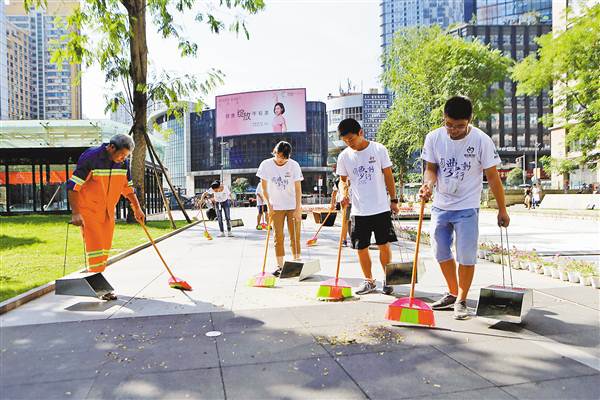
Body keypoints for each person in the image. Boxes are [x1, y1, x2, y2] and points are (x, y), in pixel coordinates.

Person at [419, 96, 510, 320]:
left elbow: (493, 177)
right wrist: (428, 185)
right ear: (444, 119)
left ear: (470, 120)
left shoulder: (482, 140)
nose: (454, 130)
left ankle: (461, 299)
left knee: (466, 254)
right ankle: (452, 291)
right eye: (449, 124)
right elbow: (431, 169)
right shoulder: (434, 138)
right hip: (441, 205)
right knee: (440, 250)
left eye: (460, 126)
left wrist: (502, 209)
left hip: (467, 206)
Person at [67, 133, 145, 301]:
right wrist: (76, 212)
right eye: (121, 155)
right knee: (95, 249)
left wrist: (137, 208)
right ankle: (101, 290)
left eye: (126, 156)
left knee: (104, 249)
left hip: (108, 211)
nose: (123, 159)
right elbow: (73, 186)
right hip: (89, 211)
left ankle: (97, 284)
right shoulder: (91, 158)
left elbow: (128, 188)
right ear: (111, 147)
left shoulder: (122, 163)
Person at [335, 118, 400, 295]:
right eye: (345, 141)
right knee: (361, 247)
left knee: (384, 245)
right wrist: (343, 194)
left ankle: (388, 279)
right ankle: (369, 281)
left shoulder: (378, 149)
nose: (349, 143)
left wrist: (394, 200)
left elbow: (388, 176)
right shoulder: (344, 156)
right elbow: (342, 180)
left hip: (380, 208)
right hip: (358, 210)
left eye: (351, 139)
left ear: (361, 133)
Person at [256, 141, 303, 276]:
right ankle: (280, 265)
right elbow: (264, 188)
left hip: (292, 205)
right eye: (278, 156)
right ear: (274, 152)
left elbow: (298, 188)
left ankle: (297, 263)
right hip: (276, 206)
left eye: (284, 158)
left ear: (289, 156)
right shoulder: (266, 165)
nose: (280, 160)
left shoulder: (294, 165)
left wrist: (298, 208)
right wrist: (268, 206)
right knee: (278, 236)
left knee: (295, 236)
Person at [330, 174, 352, 247]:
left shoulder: (353, 177)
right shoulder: (338, 181)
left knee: (352, 222)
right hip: (345, 203)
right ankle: (344, 240)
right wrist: (332, 204)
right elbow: (334, 192)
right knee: (345, 221)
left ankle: (353, 239)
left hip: (355, 202)